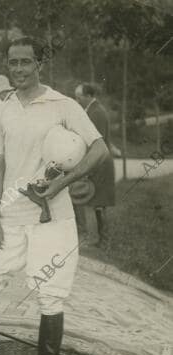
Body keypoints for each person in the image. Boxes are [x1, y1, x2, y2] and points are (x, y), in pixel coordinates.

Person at [0, 37, 110, 355]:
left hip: (52, 220)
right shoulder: (0, 108)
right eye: (13, 63)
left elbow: (100, 149)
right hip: (10, 215)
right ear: (7, 66)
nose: (19, 69)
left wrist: (61, 182)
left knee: (50, 298)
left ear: (39, 64)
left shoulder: (63, 105)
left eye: (26, 62)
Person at [74, 83, 116, 246]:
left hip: (99, 164)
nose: (77, 101)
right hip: (99, 162)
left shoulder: (96, 113)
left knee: (94, 203)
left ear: (89, 96)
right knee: (97, 203)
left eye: (79, 97)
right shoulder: (93, 110)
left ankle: (98, 239)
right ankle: (101, 238)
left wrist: (87, 166)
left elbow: (96, 143)